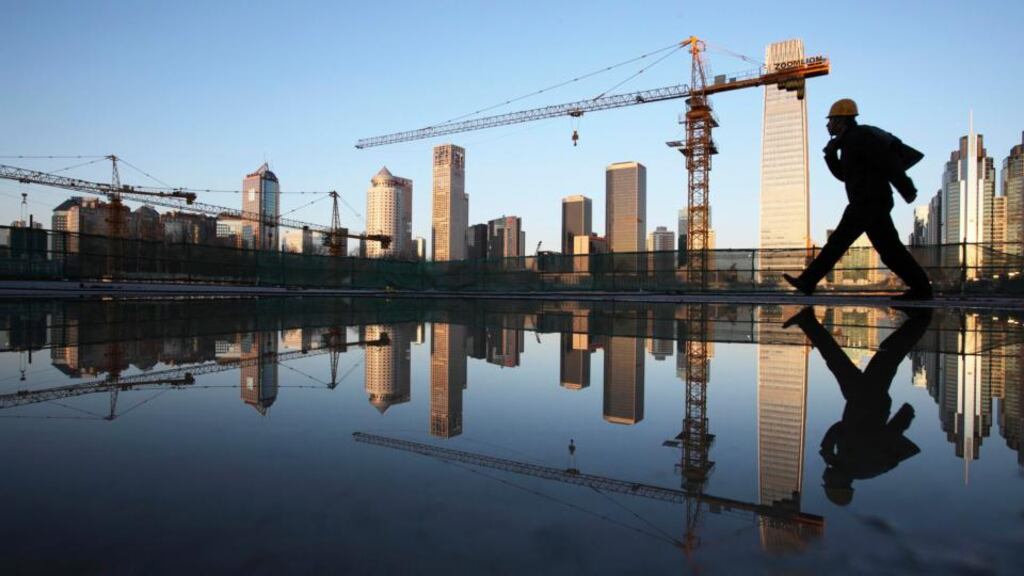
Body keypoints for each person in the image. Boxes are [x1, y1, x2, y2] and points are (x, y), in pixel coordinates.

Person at [783, 99, 933, 300]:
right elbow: (844, 175)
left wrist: (906, 187)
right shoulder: (847, 142)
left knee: (838, 242)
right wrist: (830, 155)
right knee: (889, 250)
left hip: (869, 200)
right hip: (868, 201)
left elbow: (888, 161)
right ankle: (921, 288)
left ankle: (808, 280)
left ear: (841, 120)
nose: (828, 125)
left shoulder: (861, 136)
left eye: (831, 120)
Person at [783, 306, 932, 506]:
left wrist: (829, 449)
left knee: (842, 360)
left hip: (861, 401)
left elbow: (843, 429)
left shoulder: (849, 463)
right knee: (886, 353)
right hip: (868, 400)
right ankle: (922, 317)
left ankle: (807, 321)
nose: (825, 478)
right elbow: (877, 435)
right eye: (827, 482)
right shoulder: (861, 465)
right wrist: (827, 447)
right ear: (840, 483)